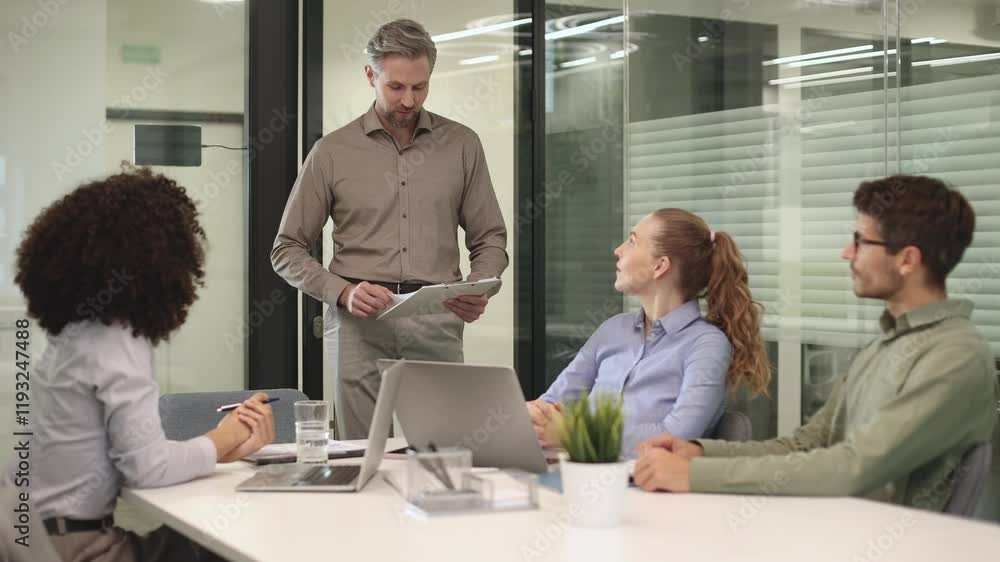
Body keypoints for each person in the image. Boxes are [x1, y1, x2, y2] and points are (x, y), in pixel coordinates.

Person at [633, 175, 999, 512]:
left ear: (907, 260)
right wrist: (698, 453)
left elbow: (854, 467)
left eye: (860, 241)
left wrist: (692, 477)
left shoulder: (956, 356)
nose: (846, 253)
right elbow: (806, 444)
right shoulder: (883, 348)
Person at [8, 168, 276, 561]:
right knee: (232, 542)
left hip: (26, 534)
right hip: (76, 548)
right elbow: (146, 470)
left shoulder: (72, 336)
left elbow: (124, 453)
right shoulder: (118, 341)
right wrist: (223, 438)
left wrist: (217, 448)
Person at [271, 19, 508, 439]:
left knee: (444, 454)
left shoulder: (463, 145)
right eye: (396, 87)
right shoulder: (331, 151)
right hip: (358, 326)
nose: (408, 100)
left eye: (419, 87)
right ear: (370, 76)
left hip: (436, 317)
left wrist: (480, 285)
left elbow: (490, 236)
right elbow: (287, 249)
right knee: (360, 456)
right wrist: (343, 292)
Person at [528, 209, 771, 456]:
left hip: (649, 488)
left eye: (632, 241)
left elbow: (676, 437)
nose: (619, 250)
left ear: (659, 266)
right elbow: (552, 402)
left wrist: (574, 434)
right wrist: (534, 415)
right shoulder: (613, 330)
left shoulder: (706, 345)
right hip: (581, 476)